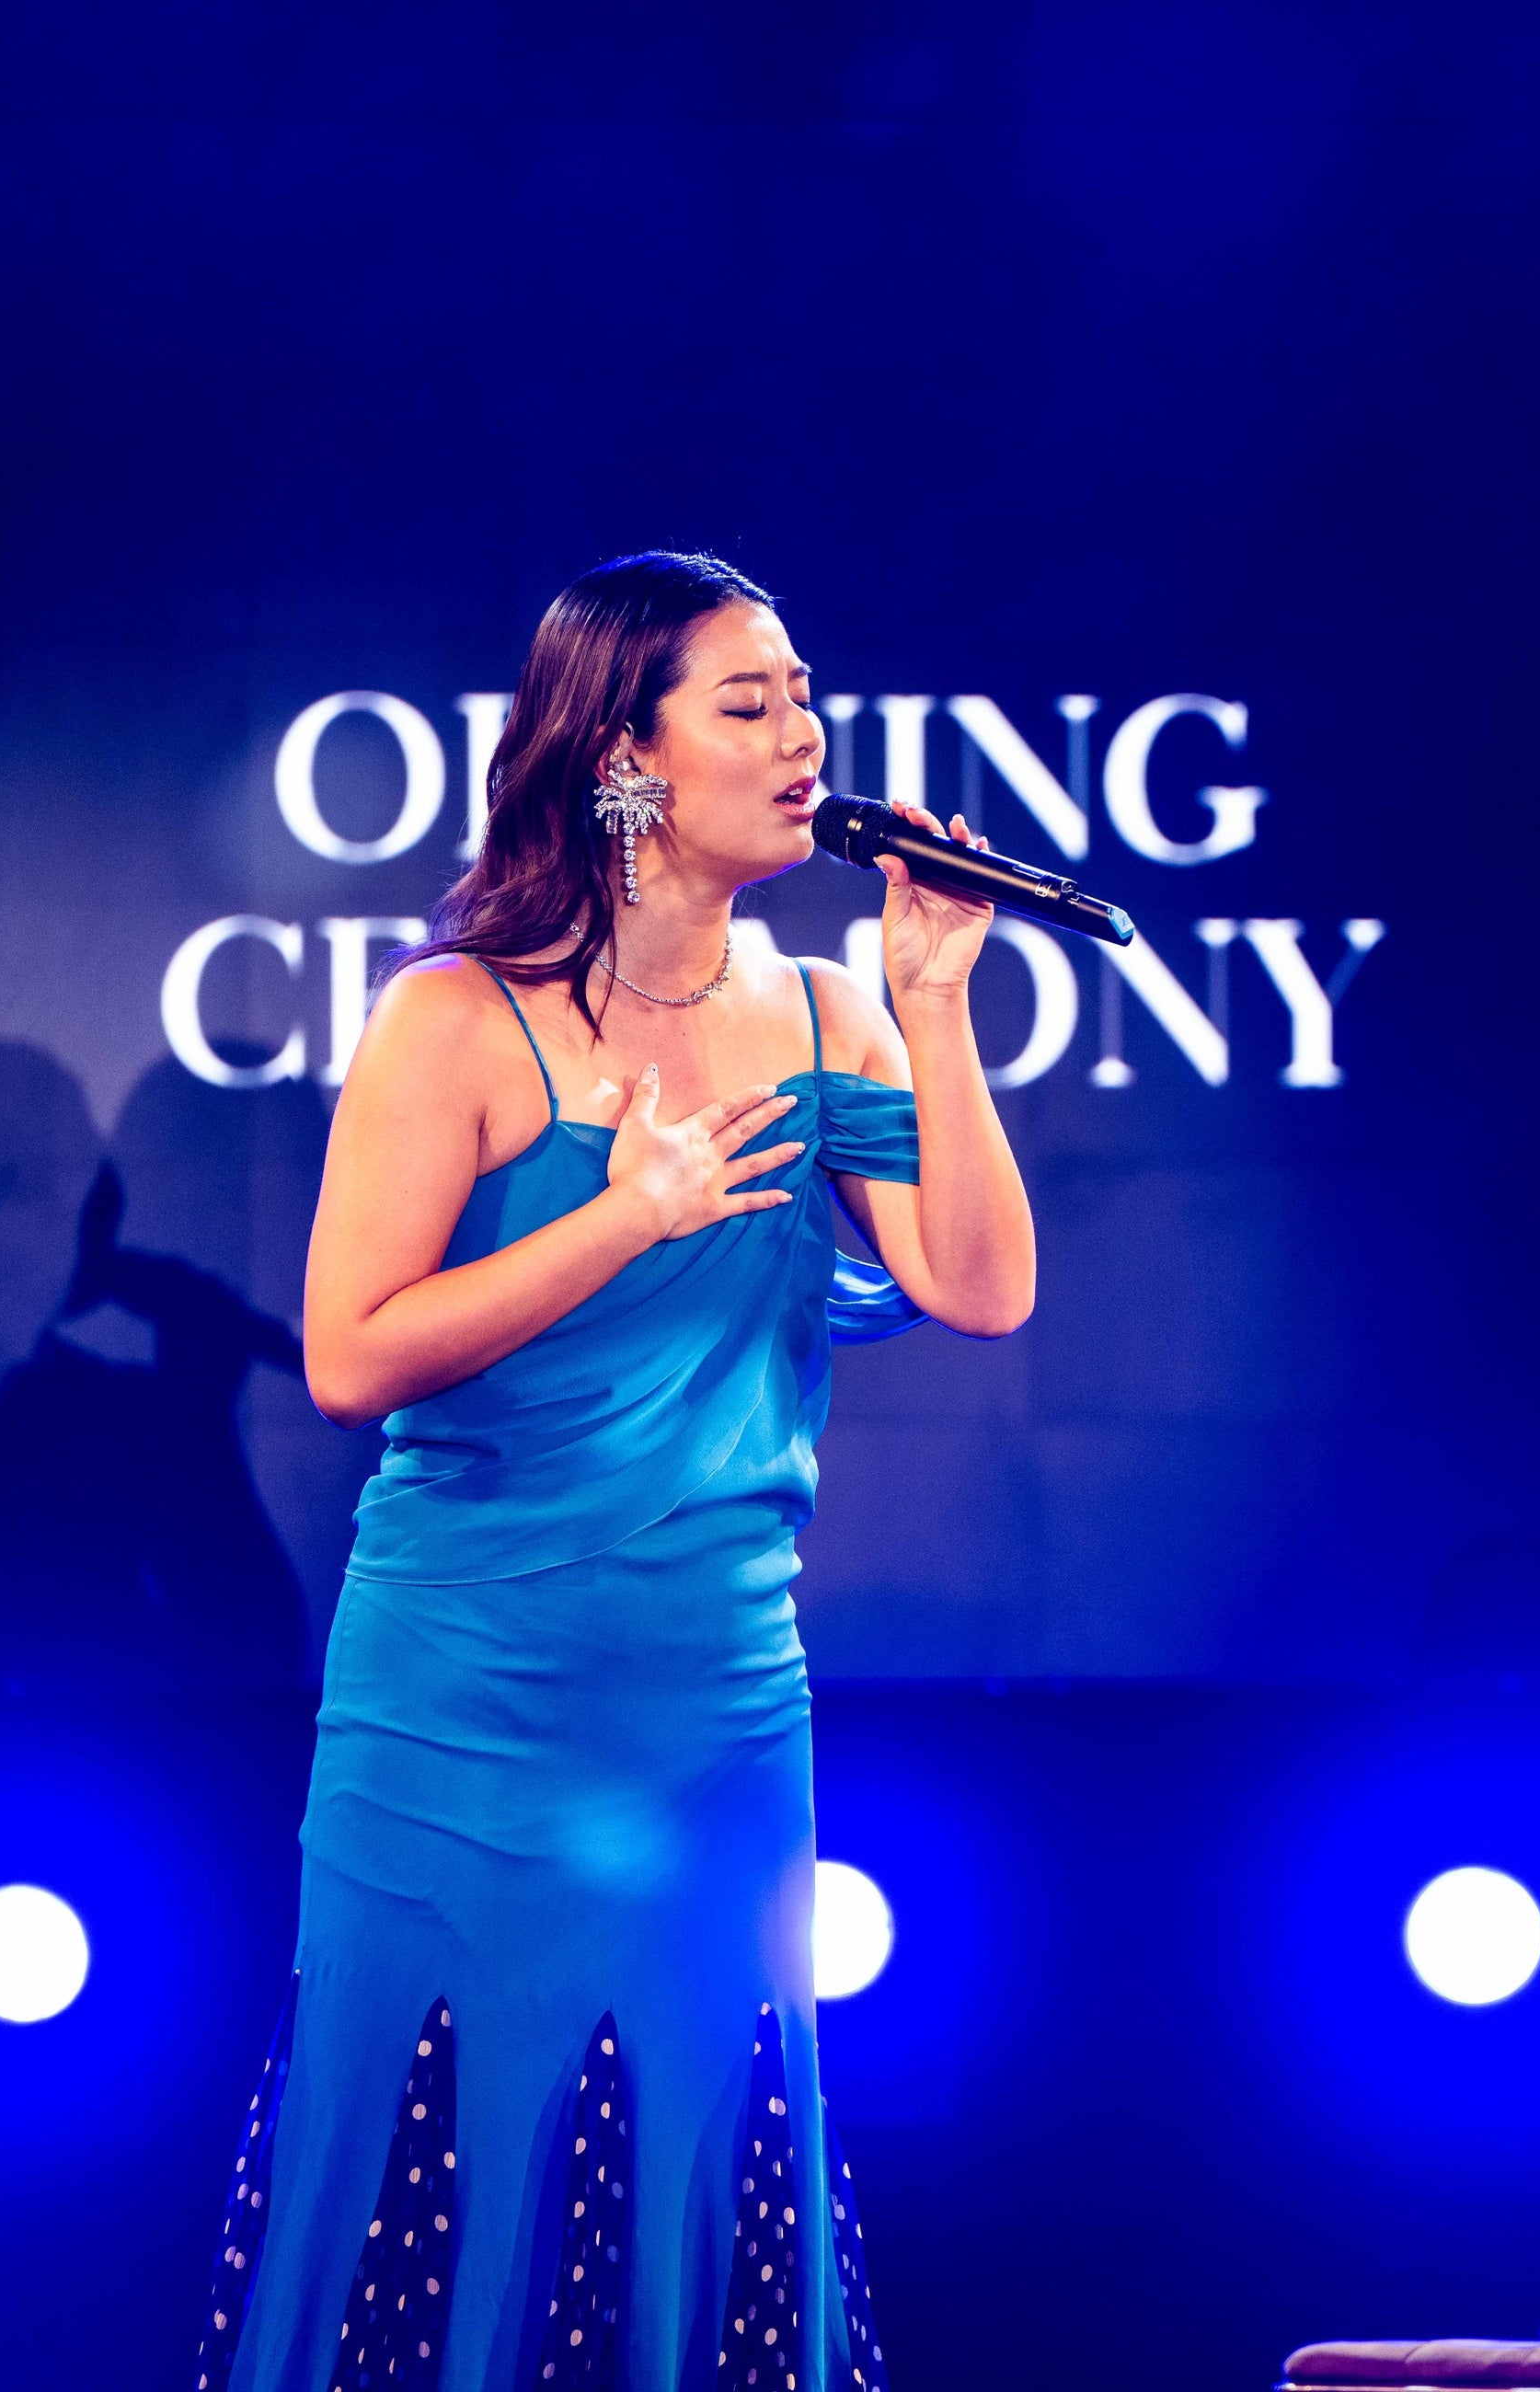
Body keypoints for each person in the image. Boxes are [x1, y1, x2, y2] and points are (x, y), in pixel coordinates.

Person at [195, 552, 1034, 2392]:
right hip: (459, 1713)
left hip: (714, 1716)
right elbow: (349, 1352)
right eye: (750, 703)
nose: (804, 738)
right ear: (626, 756)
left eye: (805, 698)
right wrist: (621, 1216)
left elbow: (980, 1289)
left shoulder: (827, 1014)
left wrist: (937, 999)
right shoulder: (456, 1016)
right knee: (435, 2172)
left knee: (694, 2164)